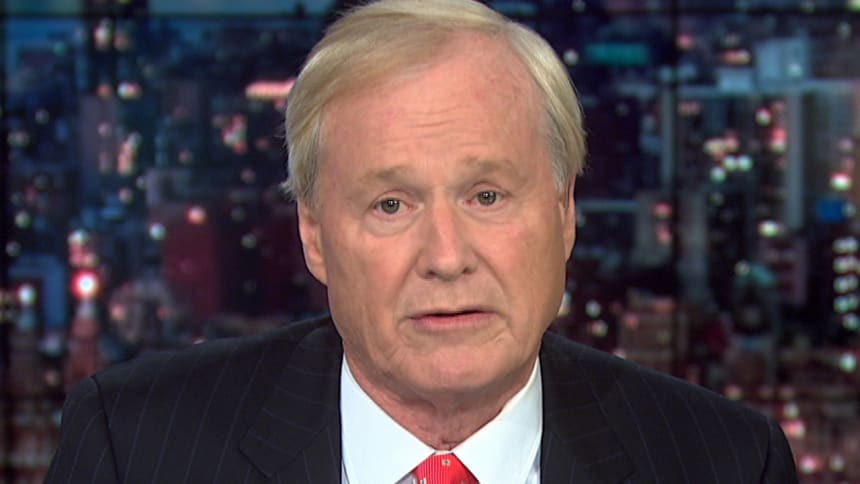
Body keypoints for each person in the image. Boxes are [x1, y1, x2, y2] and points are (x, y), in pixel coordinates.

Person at [46, 0, 798, 482]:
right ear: (314, 234)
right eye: (391, 205)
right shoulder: (134, 449)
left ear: (565, 213)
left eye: (487, 196)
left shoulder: (728, 462)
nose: (446, 257)